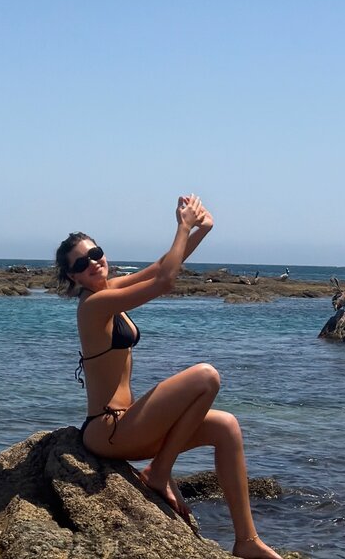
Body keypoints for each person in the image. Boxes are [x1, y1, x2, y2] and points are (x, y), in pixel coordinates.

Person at [55, 194, 283, 559]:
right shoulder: (93, 305)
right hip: (108, 430)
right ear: (73, 276)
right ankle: (160, 472)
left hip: (130, 426)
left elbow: (163, 265)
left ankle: (246, 540)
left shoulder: (110, 289)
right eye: (82, 263)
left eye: (96, 254)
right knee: (206, 377)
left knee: (226, 427)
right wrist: (182, 225)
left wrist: (201, 230)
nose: (94, 263)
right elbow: (165, 281)